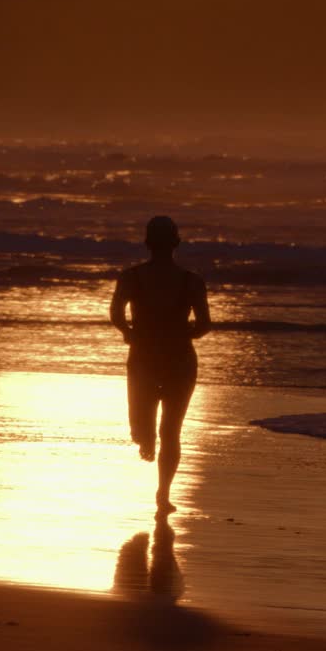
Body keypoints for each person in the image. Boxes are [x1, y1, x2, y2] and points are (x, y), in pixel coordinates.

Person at [109, 215, 211, 517]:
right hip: (180, 359)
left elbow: (116, 314)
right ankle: (164, 493)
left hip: (143, 356)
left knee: (141, 419)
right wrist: (182, 333)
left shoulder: (130, 277)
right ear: (176, 243)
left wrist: (128, 331)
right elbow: (205, 325)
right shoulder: (191, 281)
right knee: (172, 430)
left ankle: (145, 439)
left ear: (147, 243)